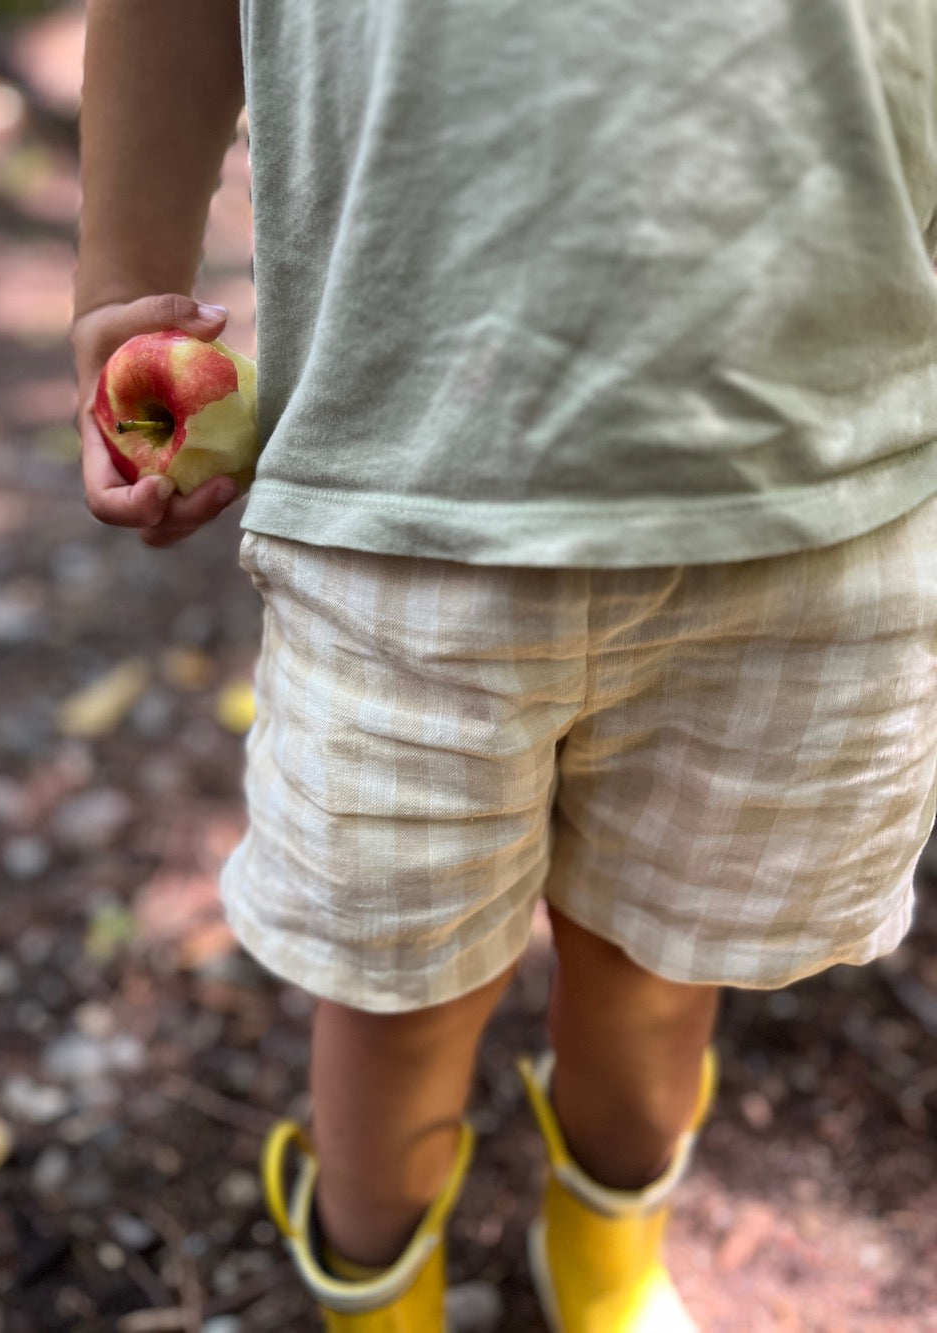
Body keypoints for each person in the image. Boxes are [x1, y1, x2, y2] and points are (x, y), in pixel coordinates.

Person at [72, 1, 937, 1328]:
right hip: (399, 506)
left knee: (662, 975)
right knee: (396, 1000)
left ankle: (604, 1257)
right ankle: (379, 1292)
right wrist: (125, 289)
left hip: (810, 503)